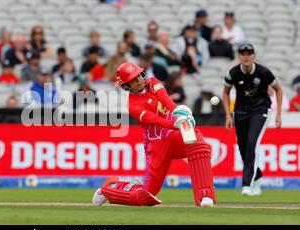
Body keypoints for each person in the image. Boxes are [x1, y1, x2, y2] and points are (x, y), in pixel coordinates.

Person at [92, 62, 216, 208]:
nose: (139, 79)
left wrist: (178, 113)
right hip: (156, 144)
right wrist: (174, 124)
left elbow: (166, 100)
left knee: (198, 143)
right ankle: (109, 188)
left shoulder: (152, 82)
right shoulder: (133, 106)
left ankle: (205, 196)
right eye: (133, 79)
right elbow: (155, 121)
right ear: (126, 85)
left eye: (138, 75)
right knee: (146, 196)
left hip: (174, 133)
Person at [222, 43, 283, 196]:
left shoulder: (263, 72)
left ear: (254, 56)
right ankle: (257, 178)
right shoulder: (233, 73)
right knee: (243, 148)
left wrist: (279, 113)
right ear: (239, 56)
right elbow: (225, 92)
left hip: (261, 110)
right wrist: (228, 115)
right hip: (241, 112)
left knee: (252, 143)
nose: (246, 56)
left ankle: (246, 184)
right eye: (243, 53)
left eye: (249, 53)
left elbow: (279, 89)